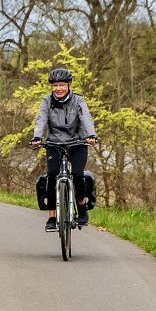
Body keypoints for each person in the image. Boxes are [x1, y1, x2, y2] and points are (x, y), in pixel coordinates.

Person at [30, 68, 97, 231]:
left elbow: (86, 118)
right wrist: (37, 137)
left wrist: (91, 135)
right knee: (52, 176)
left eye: (62, 85)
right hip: (54, 143)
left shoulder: (78, 101)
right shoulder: (46, 101)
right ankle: (52, 218)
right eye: (55, 85)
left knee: (78, 175)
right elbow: (41, 119)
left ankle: (81, 208)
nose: (58, 88)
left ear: (69, 85)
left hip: (77, 142)